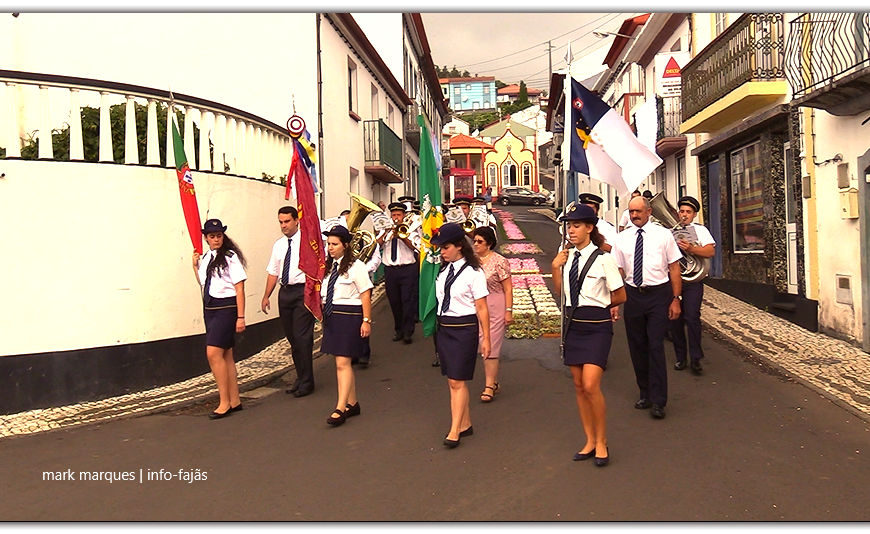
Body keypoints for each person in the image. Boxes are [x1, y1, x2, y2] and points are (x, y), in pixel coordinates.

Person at [551, 204, 625, 467]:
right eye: (569, 225)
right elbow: (562, 294)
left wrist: (603, 306)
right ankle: (589, 439)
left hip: (597, 326)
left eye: (576, 225)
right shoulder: (566, 257)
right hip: (574, 325)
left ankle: (603, 441)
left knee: (592, 385)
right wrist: (555, 268)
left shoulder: (604, 258)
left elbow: (620, 294)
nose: (571, 230)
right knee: (579, 386)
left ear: (589, 228)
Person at [611, 195, 683, 420]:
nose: (634, 216)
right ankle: (645, 392)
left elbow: (673, 267)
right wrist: (613, 300)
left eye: (638, 211)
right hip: (633, 295)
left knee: (655, 346)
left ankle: (659, 399)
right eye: (631, 212)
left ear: (649, 211)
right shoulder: (621, 239)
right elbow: (618, 271)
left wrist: (676, 298)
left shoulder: (663, 235)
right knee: (637, 346)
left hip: (658, 295)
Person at [431, 223, 491, 448]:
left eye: (445, 247)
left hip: (464, 327)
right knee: (452, 381)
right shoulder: (444, 270)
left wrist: (486, 338)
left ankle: (454, 429)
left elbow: (482, 307)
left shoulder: (474, 273)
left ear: (459, 246)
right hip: (444, 327)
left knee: (458, 380)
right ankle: (465, 423)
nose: (442, 252)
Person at [192, 218, 247, 419]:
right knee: (226, 356)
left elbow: (240, 288)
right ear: (206, 238)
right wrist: (194, 266)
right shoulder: (206, 257)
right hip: (210, 308)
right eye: (212, 236)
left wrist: (240, 316)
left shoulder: (230, 257)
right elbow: (204, 282)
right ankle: (234, 400)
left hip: (226, 308)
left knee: (213, 353)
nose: (216, 239)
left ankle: (224, 402)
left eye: (219, 235)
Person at [262, 206, 318, 398]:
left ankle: (307, 382)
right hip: (284, 293)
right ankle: (301, 377)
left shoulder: (307, 241)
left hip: (303, 292)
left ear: (296, 220)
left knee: (303, 338)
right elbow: (273, 272)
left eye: (287, 221)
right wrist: (266, 295)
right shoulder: (278, 245)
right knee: (292, 339)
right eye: (281, 222)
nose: (284, 225)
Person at [320, 225, 373, 426]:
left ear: (345, 245)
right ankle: (352, 402)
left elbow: (365, 292)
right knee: (340, 362)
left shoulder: (356, 266)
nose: (330, 248)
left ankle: (340, 407)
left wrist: (366, 320)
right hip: (333, 316)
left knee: (343, 363)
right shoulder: (329, 267)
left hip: (349, 316)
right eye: (328, 244)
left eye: (334, 244)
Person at [670, 195, 716, 376]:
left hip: (693, 281)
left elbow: (710, 251)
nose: (684, 215)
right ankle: (680, 357)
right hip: (674, 280)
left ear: (694, 214)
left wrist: (691, 249)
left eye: (688, 212)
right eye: (681, 211)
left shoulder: (700, 230)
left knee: (692, 317)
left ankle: (696, 358)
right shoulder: (670, 230)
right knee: (675, 319)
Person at [470, 226, 513, 403]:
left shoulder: (499, 261)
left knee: (491, 346)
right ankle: (493, 381)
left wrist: (508, 311)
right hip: (477, 305)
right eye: (474, 241)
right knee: (482, 345)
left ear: (489, 243)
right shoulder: (471, 262)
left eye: (480, 241)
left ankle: (489, 386)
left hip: (495, 303)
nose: (476, 244)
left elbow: (508, 288)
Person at [377, 201, 420, 344]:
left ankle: (408, 331)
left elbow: (415, 247)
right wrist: (386, 234)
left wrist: (403, 236)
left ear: (403, 215)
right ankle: (398, 330)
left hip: (407, 269)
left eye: (399, 215)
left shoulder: (411, 228)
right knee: (394, 301)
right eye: (394, 215)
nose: (396, 218)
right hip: (390, 270)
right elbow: (377, 245)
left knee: (407, 300)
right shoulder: (385, 227)